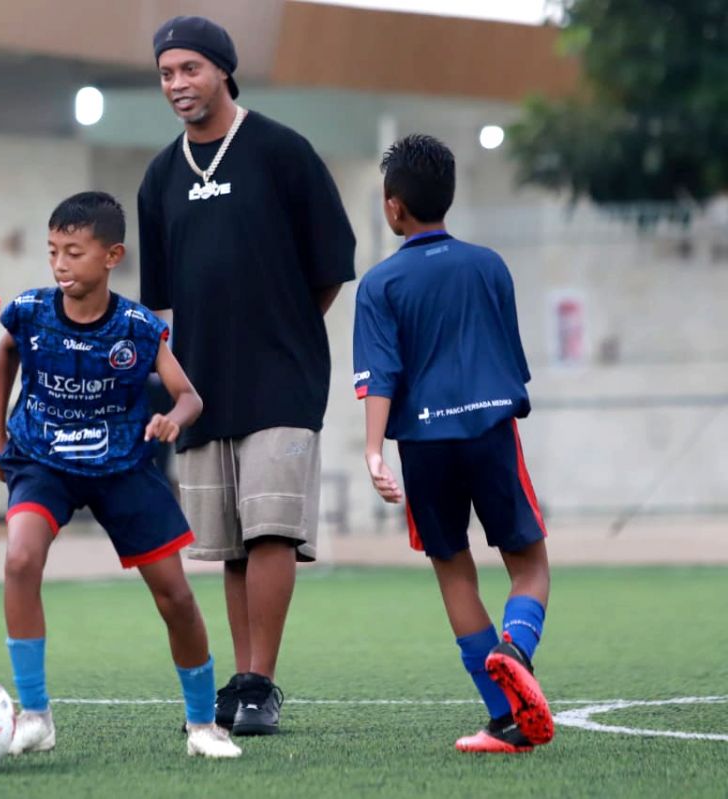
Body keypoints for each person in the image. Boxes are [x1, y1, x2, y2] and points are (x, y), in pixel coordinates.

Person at [137, 15, 356, 735]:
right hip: (204, 386)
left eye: (190, 69)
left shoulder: (281, 151)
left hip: (283, 378)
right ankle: (242, 681)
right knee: (231, 541)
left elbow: (332, 263)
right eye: (167, 72)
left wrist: (287, 326)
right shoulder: (160, 176)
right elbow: (161, 296)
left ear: (224, 71)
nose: (177, 84)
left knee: (271, 530)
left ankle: (261, 681)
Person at [0, 191, 240, 759]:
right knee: (20, 558)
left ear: (112, 256)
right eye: (53, 251)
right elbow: (5, 350)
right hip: (42, 461)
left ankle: (203, 725)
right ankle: (35, 715)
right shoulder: (28, 310)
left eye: (73, 252)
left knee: (175, 596)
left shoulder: (138, 327)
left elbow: (189, 398)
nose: (59, 264)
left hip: (122, 466)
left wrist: (172, 419)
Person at [353, 134, 553, 754]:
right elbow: (511, 362)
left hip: (424, 447)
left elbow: (378, 375)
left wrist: (373, 451)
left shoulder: (380, 284)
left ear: (393, 208)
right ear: (450, 196)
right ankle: (513, 649)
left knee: (453, 571)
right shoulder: (490, 265)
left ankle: (504, 716)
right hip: (491, 432)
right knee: (530, 567)